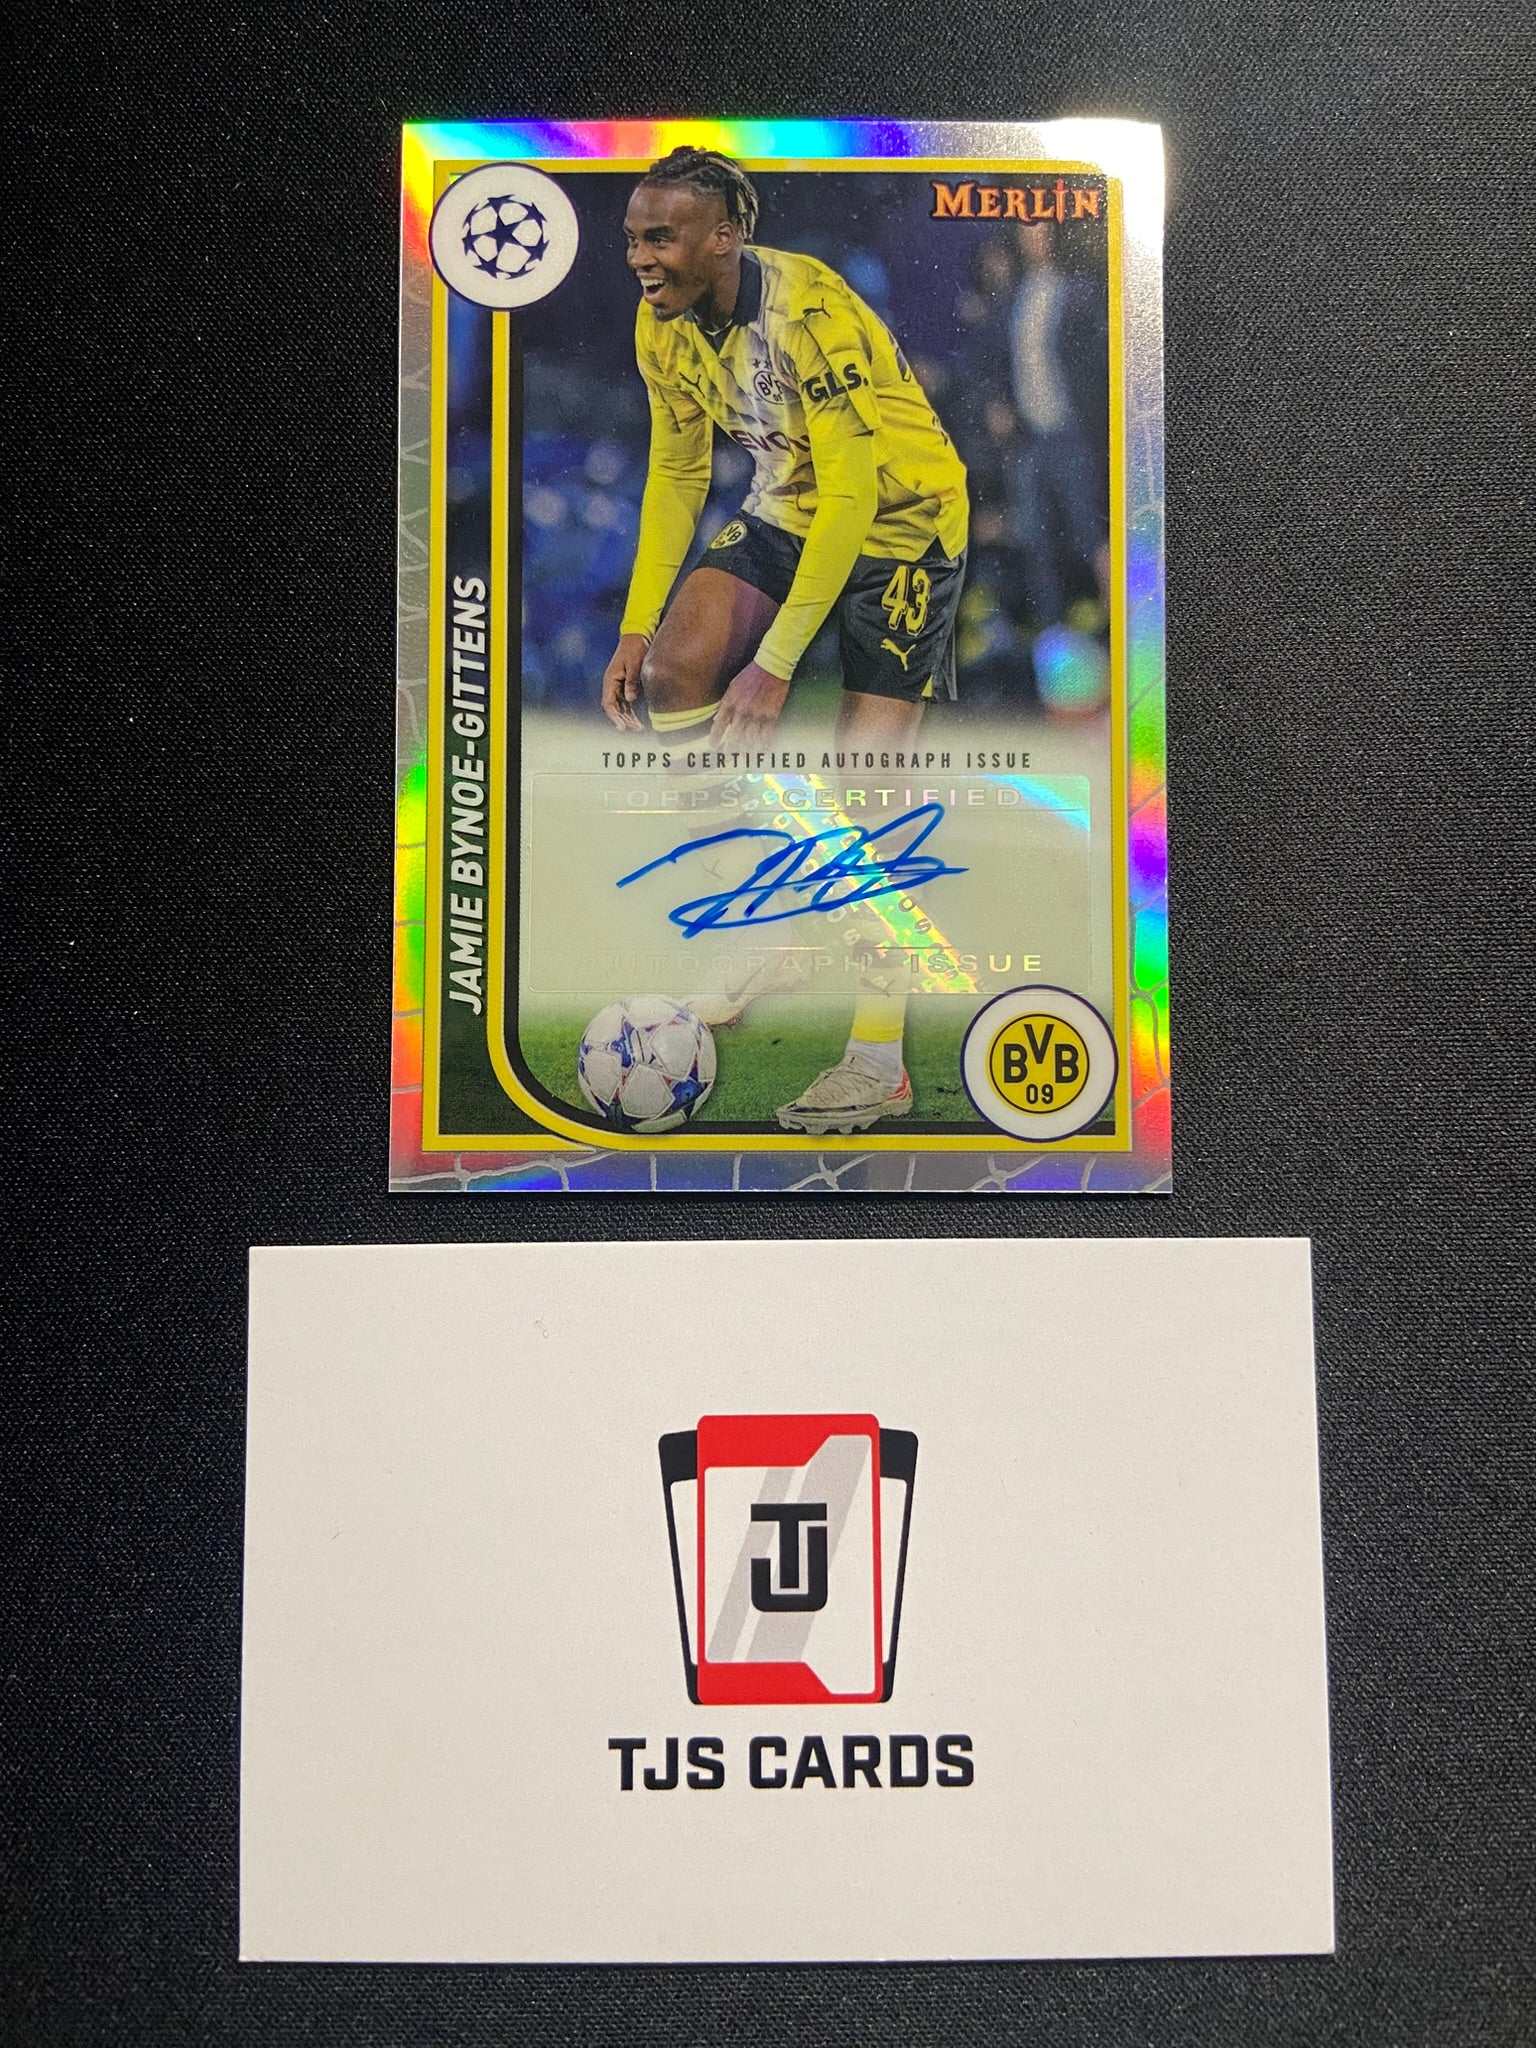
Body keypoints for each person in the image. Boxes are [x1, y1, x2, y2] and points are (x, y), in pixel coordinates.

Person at [600, 147, 969, 1135]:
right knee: (674, 671)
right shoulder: (661, 323)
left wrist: (772, 666)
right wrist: (637, 623)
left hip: (903, 524)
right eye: (633, 237)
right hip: (791, 508)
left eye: (661, 237)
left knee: (868, 781)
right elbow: (678, 474)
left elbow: (853, 497)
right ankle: (771, 925)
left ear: (725, 239)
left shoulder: (810, 311)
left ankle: (878, 1062)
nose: (640, 258)